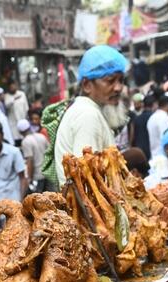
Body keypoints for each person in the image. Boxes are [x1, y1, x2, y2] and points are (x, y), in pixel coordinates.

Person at [53, 45, 128, 185]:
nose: (118, 88)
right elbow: (86, 182)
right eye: (110, 80)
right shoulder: (87, 115)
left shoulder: (88, 111)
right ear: (87, 85)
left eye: (121, 80)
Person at [0, 121, 27, 205]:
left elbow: (23, 178)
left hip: (11, 202)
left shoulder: (14, 152)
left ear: (2, 135)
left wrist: (21, 201)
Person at [18, 118, 49, 192]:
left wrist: (29, 179)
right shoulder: (41, 136)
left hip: (37, 176)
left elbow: (30, 161)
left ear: (20, 132)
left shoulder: (25, 142)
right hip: (47, 174)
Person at [146, 92, 168, 157]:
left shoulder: (153, 117)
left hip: (154, 155)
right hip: (162, 156)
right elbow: (165, 138)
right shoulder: (164, 118)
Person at [129, 93, 156, 158]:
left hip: (139, 150)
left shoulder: (136, 118)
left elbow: (132, 136)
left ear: (143, 104)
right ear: (154, 104)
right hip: (151, 150)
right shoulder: (154, 118)